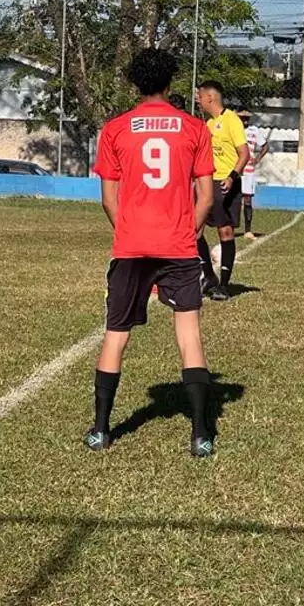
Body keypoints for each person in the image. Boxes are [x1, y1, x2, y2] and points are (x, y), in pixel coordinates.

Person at [87, 48, 217, 456]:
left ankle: (101, 430)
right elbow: (207, 197)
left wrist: (128, 229)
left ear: (135, 82)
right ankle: (200, 435)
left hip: (130, 246)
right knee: (189, 334)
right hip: (177, 245)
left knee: (116, 334)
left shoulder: (115, 129)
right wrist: (186, 231)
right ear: (170, 81)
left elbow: (108, 197)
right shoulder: (195, 128)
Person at [194, 80, 250, 301]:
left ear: (210, 97)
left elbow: (244, 153)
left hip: (226, 183)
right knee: (195, 230)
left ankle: (224, 285)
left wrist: (231, 176)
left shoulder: (231, 120)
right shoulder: (207, 124)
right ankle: (208, 275)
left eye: (199, 96)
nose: (198, 101)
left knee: (224, 232)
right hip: (206, 182)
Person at [241, 119, 270, 239]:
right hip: (232, 167)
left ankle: (248, 230)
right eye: (242, 117)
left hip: (248, 169)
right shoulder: (232, 127)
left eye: (247, 117)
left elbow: (265, 146)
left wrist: (257, 159)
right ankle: (228, 228)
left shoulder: (254, 130)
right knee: (232, 198)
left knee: (247, 199)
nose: (245, 120)